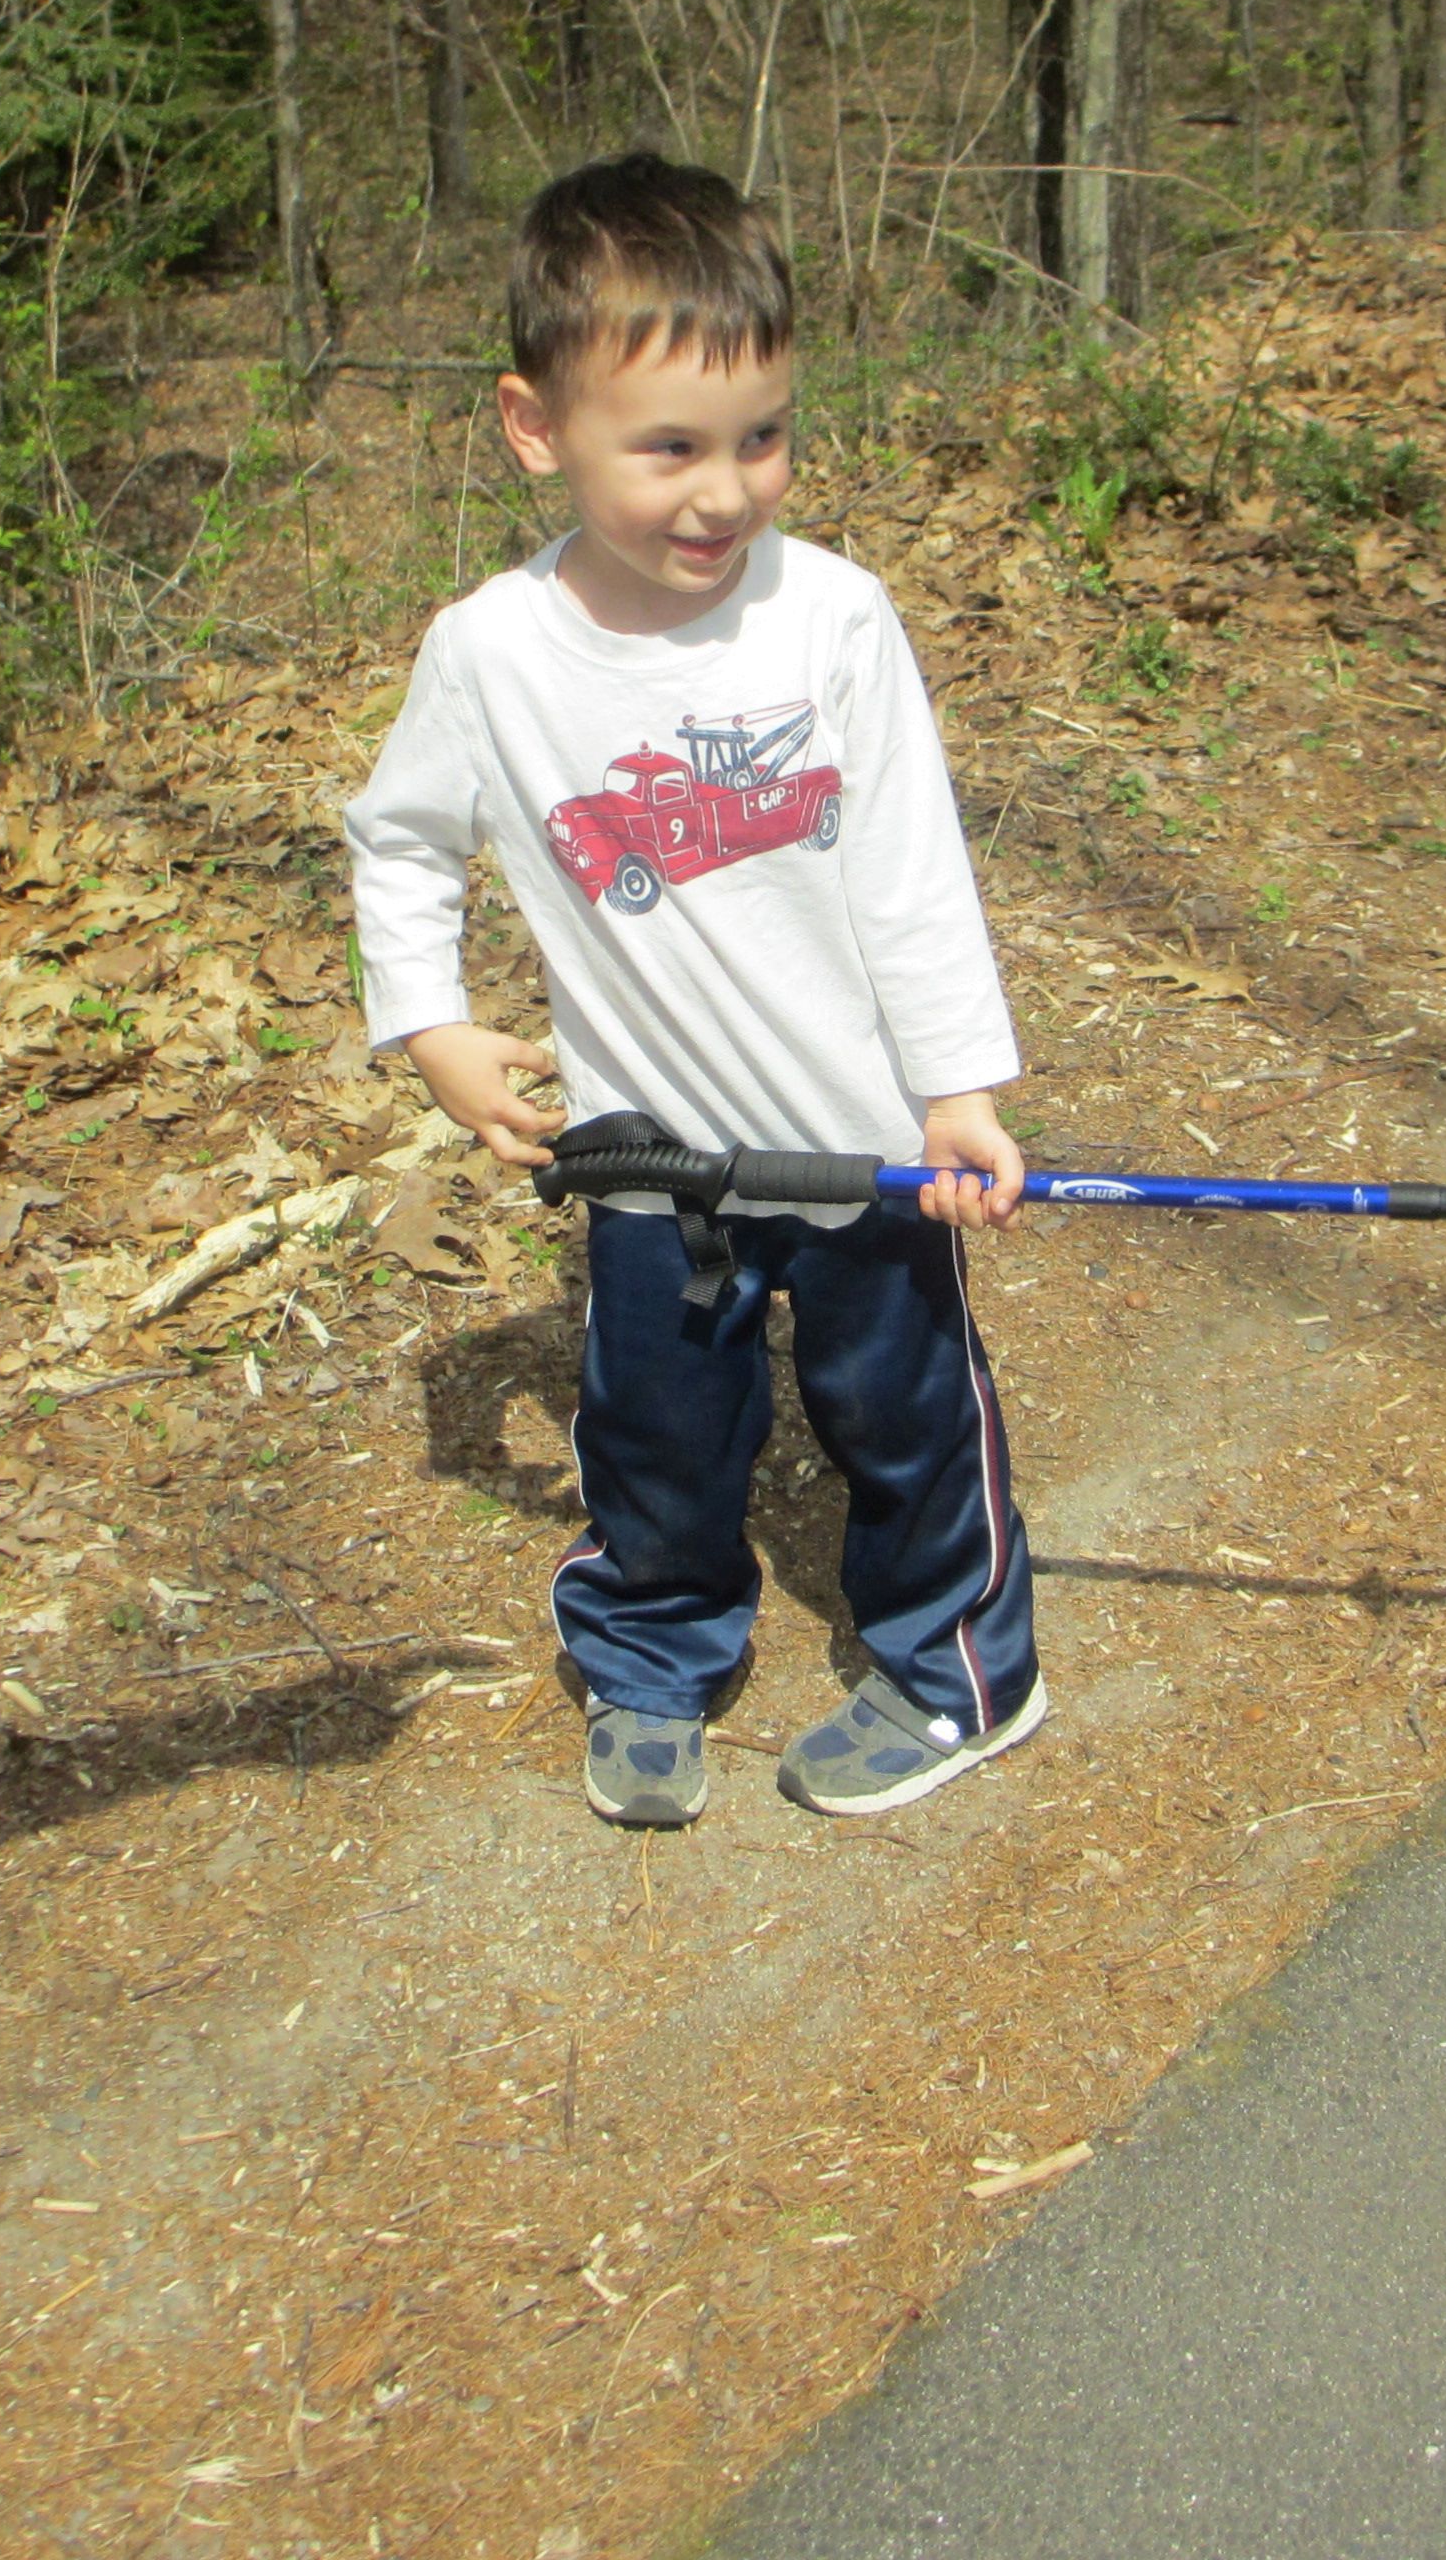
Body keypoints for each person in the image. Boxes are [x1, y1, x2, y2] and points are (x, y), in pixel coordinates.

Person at [345, 150, 1044, 1829]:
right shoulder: (491, 653)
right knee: (657, 1433)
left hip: (862, 1143)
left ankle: (962, 1666)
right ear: (537, 429)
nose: (724, 494)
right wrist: (429, 1025)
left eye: (762, 438)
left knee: (907, 1417)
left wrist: (956, 1091)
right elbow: (401, 840)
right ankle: (653, 1656)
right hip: (651, 1159)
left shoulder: (835, 620)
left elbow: (911, 871)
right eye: (669, 448)